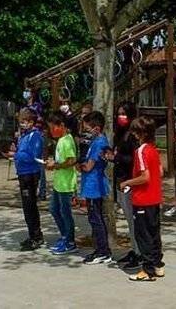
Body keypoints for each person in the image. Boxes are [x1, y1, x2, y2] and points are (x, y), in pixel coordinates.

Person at [120, 116, 166, 281]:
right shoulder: (154, 149)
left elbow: (145, 177)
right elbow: (159, 172)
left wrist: (127, 182)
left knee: (143, 235)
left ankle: (147, 270)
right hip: (154, 198)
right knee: (154, 233)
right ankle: (157, 265)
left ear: (139, 133)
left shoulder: (141, 151)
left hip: (143, 199)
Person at [9, 109, 45, 251]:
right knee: (26, 206)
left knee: (30, 205)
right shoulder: (24, 136)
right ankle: (32, 234)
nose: (22, 125)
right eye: (21, 122)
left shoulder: (35, 136)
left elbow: (33, 156)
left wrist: (16, 154)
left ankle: (36, 236)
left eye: (24, 122)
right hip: (23, 173)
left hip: (31, 173)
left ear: (31, 122)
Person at [79, 111, 112, 264]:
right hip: (91, 184)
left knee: (96, 218)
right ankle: (101, 249)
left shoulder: (100, 142)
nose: (86, 132)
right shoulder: (96, 141)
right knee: (94, 218)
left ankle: (103, 251)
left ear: (96, 129)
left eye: (88, 129)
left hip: (94, 184)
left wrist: (78, 165)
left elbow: (89, 166)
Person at [111, 101, 141, 268]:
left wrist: (117, 158)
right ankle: (134, 249)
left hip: (130, 181)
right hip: (121, 180)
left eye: (124, 113)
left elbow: (134, 160)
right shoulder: (121, 133)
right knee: (129, 220)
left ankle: (139, 253)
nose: (120, 117)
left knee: (134, 219)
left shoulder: (133, 136)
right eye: (119, 113)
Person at [45, 113, 78, 255]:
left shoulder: (67, 141)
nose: (52, 131)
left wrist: (56, 165)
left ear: (62, 126)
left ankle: (70, 241)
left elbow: (72, 160)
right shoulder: (60, 140)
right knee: (54, 209)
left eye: (53, 128)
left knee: (65, 213)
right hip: (59, 183)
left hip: (66, 184)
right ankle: (65, 236)